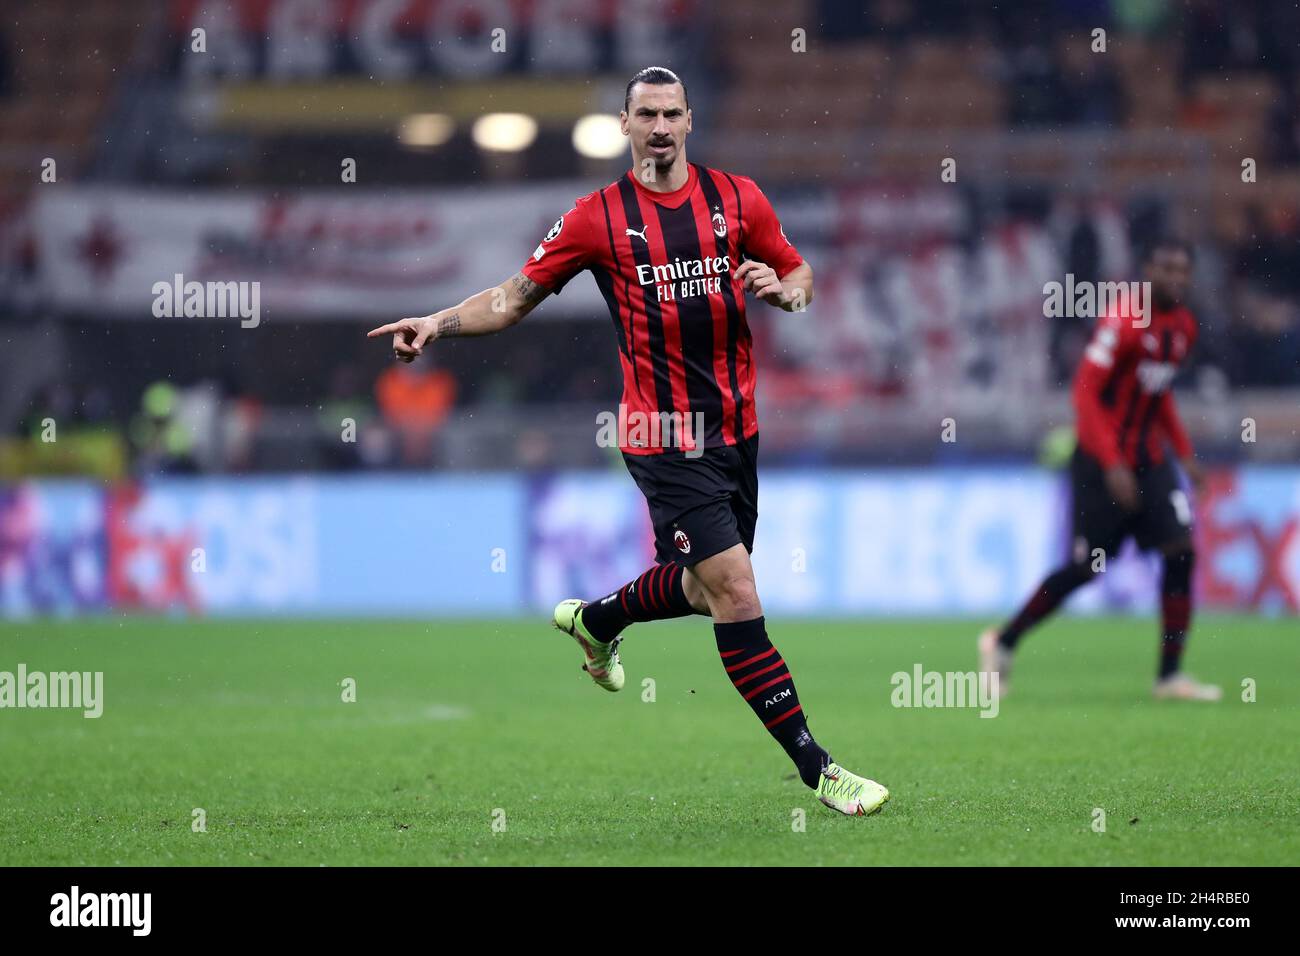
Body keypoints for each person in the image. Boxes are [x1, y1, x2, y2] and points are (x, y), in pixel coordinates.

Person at [367, 67, 888, 816]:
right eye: (646, 114)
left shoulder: (738, 198)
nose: (660, 128)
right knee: (737, 592)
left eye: (672, 113)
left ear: (689, 120)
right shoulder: (596, 217)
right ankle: (819, 769)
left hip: (736, 430)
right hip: (657, 431)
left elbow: (796, 270)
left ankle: (597, 620)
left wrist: (790, 292)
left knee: (707, 590)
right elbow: (513, 297)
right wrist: (437, 322)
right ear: (625, 123)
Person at [979, 239, 1221, 702]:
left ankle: (1169, 677)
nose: (1173, 277)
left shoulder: (1184, 327)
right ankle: (1003, 641)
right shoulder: (1122, 320)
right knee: (1086, 568)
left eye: (1181, 270)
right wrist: (1111, 463)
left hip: (1150, 460)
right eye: (1164, 266)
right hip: (1099, 461)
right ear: (1147, 269)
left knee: (1181, 551)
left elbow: (1159, 394)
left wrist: (1185, 454)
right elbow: (1086, 394)